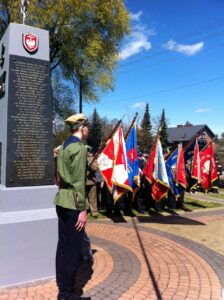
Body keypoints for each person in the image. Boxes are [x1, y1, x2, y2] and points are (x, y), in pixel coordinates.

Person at [54, 113, 91, 300]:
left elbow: (60, 177)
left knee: (62, 249)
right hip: (73, 205)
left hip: (61, 200)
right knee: (72, 251)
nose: (88, 130)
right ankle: (67, 295)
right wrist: (82, 210)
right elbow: (78, 182)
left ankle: (63, 289)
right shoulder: (79, 148)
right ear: (82, 127)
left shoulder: (63, 147)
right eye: (87, 127)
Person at [86, 147, 98, 217]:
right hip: (83, 181)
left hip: (92, 181)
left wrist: (90, 167)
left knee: (93, 198)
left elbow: (95, 168)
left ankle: (94, 212)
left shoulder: (92, 159)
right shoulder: (81, 158)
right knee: (84, 198)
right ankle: (85, 211)